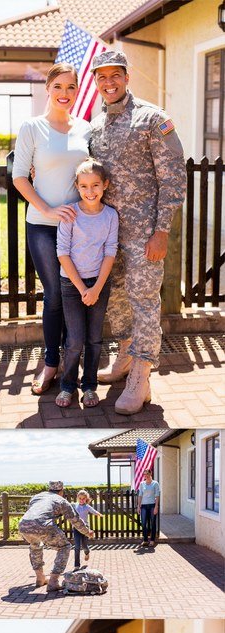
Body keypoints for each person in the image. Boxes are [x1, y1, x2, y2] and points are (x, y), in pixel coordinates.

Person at [86, 49, 186, 413]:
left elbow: (173, 178)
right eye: (102, 77)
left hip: (145, 234)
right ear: (96, 82)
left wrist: (162, 231)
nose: (108, 82)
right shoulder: (96, 125)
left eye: (116, 75)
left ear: (127, 78)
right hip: (108, 234)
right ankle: (126, 356)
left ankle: (141, 377)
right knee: (115, 298)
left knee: (145, 302)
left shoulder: (151, 118)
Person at [12, 64, 90, 396]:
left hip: (78, 229)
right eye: (58, 86)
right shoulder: (32, 127)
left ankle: (75, 361)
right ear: (47, 87)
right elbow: (19, 176)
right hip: (43, 227)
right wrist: (46, 208)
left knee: (77, 294)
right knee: (54, 296)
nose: (64, 93)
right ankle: (50, 362)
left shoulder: (86, 129)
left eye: (71, 87)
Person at [56, 159, 118, 411]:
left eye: (95, 185)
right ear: (77, 187)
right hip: (72, 285)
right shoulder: (70, 214)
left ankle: (89, 385)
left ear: (105, 185)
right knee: (75, 340)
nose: (90, 191)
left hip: (99, 283)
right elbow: (62, 253)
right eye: (83, 186)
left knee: (94, 339)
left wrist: (96, 288)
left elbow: (110, 252)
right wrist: (83, 289)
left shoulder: (111, 216)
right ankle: (67, 385)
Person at [19, 481, 88, 592]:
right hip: (42, 525)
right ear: (61, 491)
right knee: (64, 547)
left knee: (35, 545)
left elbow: (33, 511)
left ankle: (40, 578)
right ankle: (53, 582)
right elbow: (75, 520)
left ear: (49, 489)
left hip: (24, 524)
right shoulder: (61, 500)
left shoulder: (36, 497)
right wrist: (87, 532)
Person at [138, 469, 161, 546]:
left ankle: (152, 540)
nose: (146, 476)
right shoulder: (142, 484)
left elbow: (157, 495)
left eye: (147, 474)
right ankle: (145, 540)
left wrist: (156, 507)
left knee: (152, 523)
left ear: (151, 474)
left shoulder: (155, 483)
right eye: (144, 474)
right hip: (143, 506)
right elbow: (140, 495)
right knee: (144, 523)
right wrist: (138, 506)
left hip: (152, 505)